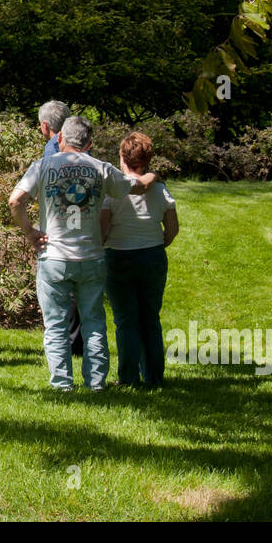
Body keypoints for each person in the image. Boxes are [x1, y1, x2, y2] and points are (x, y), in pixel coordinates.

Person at [9, 116, 157, 391]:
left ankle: (62, 385)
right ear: (89, 144)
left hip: (53, 257)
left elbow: (15, 200)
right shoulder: (101, 168)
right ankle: (96, 383)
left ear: (60, 139)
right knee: (94, 322)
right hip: (90, 257)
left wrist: (30, 231)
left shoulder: (42, 166)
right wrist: (150, 176)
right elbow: (135, 186)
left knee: (55, 325)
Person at [100, 132, 178, 388]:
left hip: (119, 256)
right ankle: (154, 377)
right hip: (153, 254)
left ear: (122, 157)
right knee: (150, 318)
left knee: (125, 320)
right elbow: (172, 228)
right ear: (147, 159)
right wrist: (157, 243)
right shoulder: (160, 189)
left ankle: (129, 378)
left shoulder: (114, 190)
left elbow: (102, 229)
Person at [37, 100, 83, 357]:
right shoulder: (80, 146)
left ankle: (68, 344)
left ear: (45, 125)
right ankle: (73, 342)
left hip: (62, 225)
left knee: (61, 290)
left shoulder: (53, 151)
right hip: (78, 224)